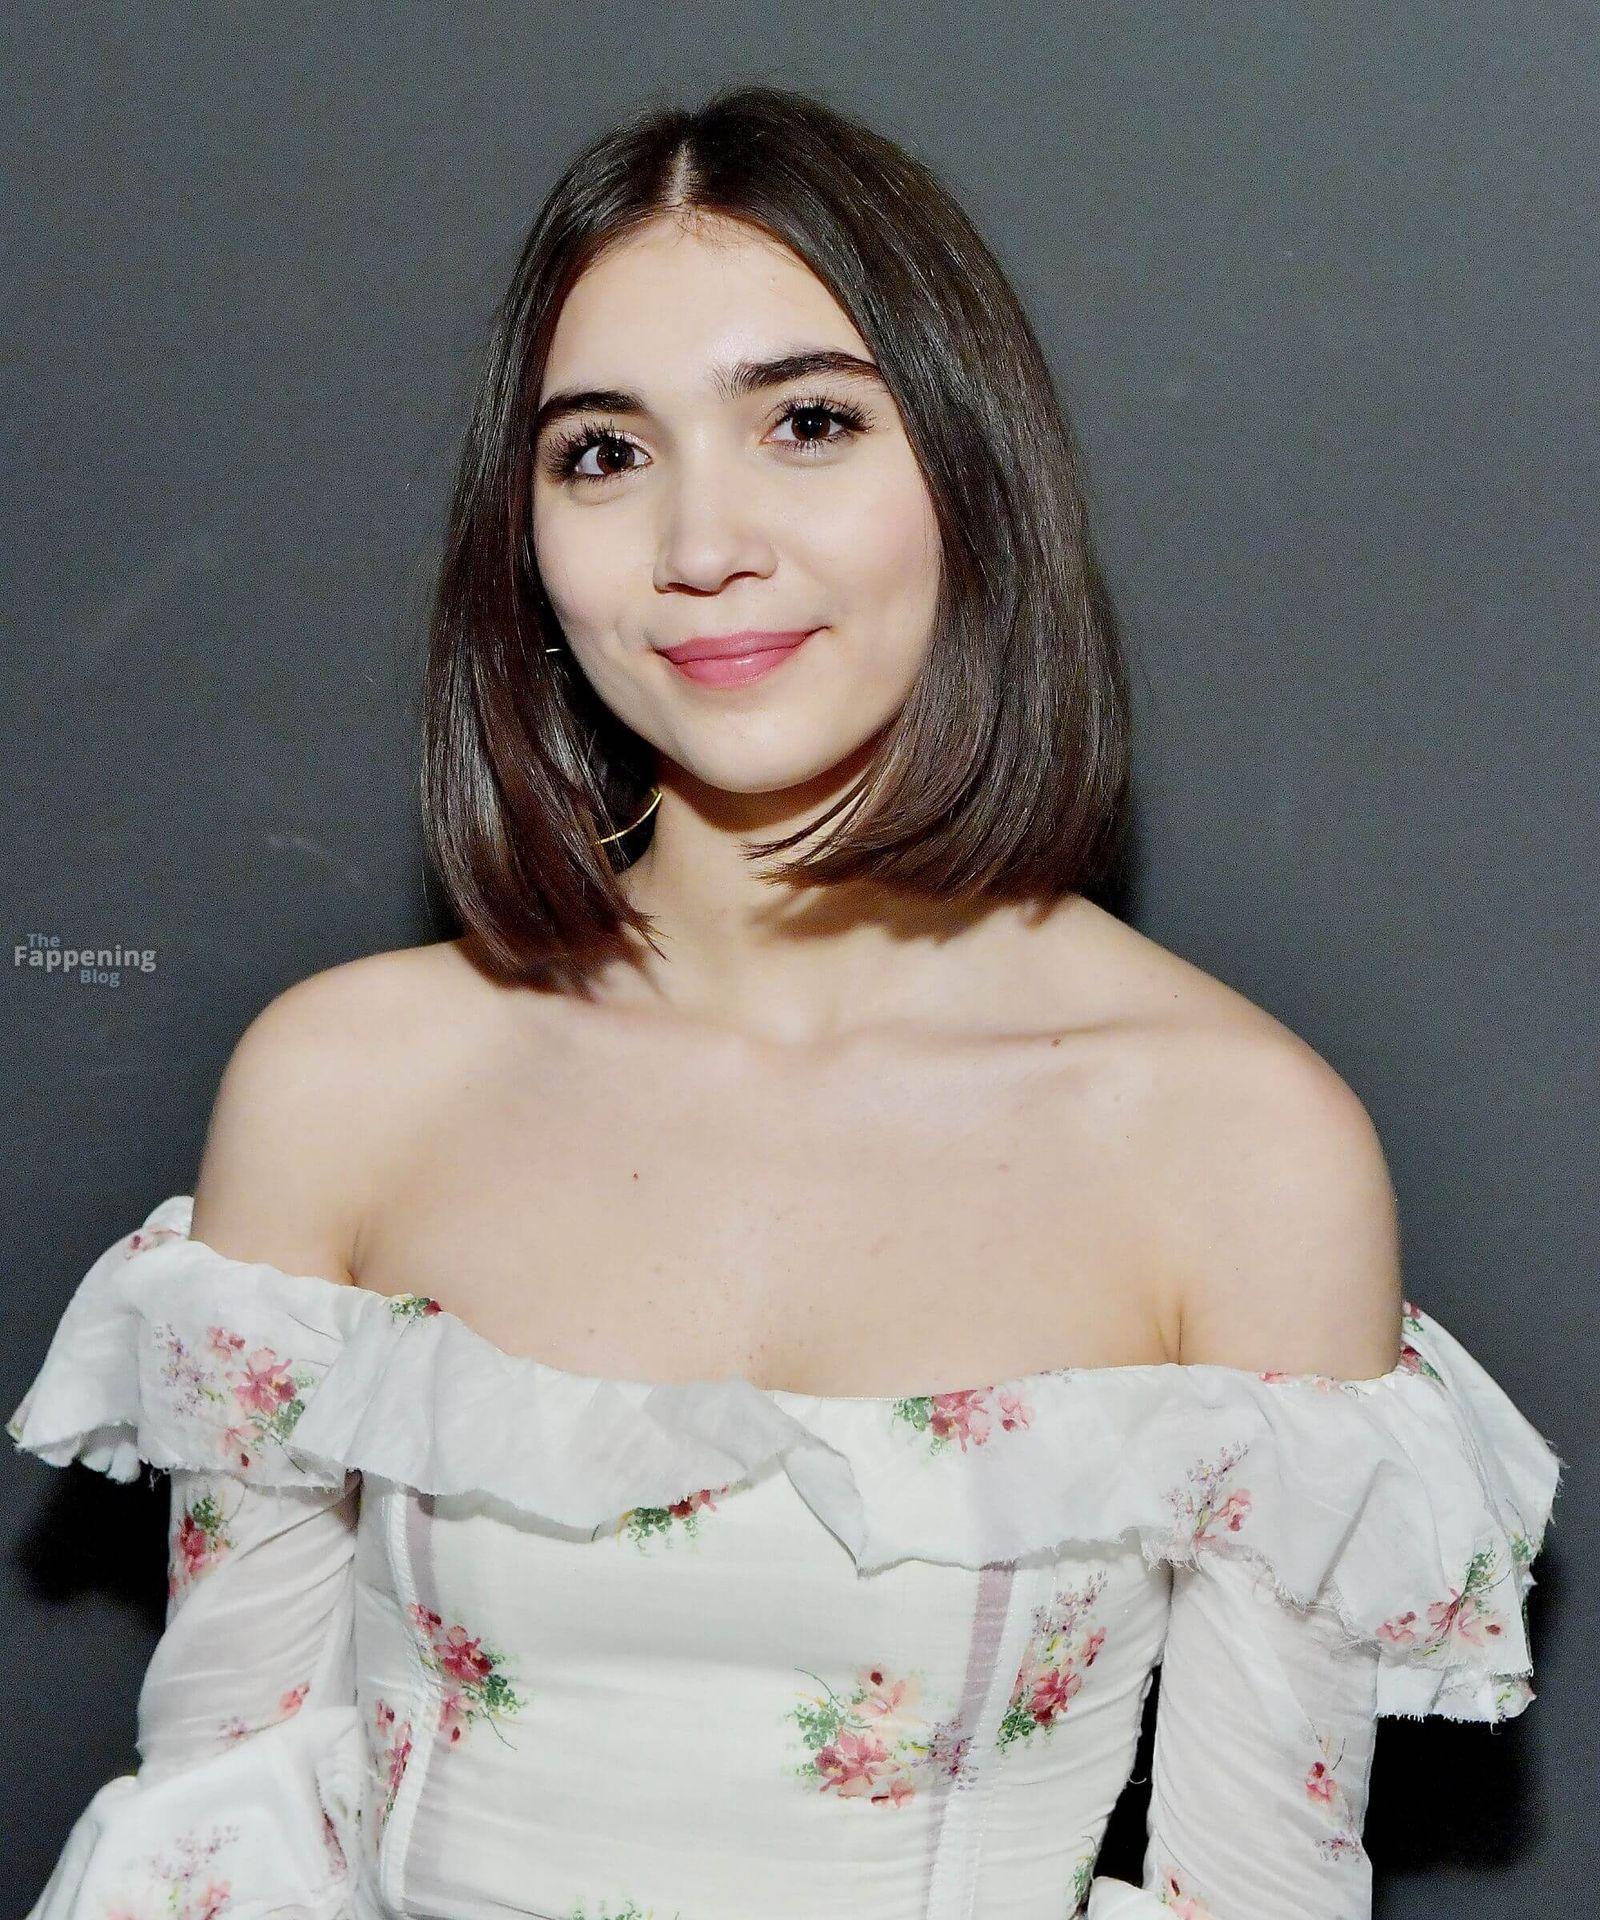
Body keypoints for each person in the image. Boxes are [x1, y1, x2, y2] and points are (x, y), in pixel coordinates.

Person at [9, 83, 1564, 1920]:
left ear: (972, 471)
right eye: (604, 452)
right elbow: (216, 1833)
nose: (701, 541)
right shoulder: (347, 1081)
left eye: (807, 422)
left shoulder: (1239, 1145)